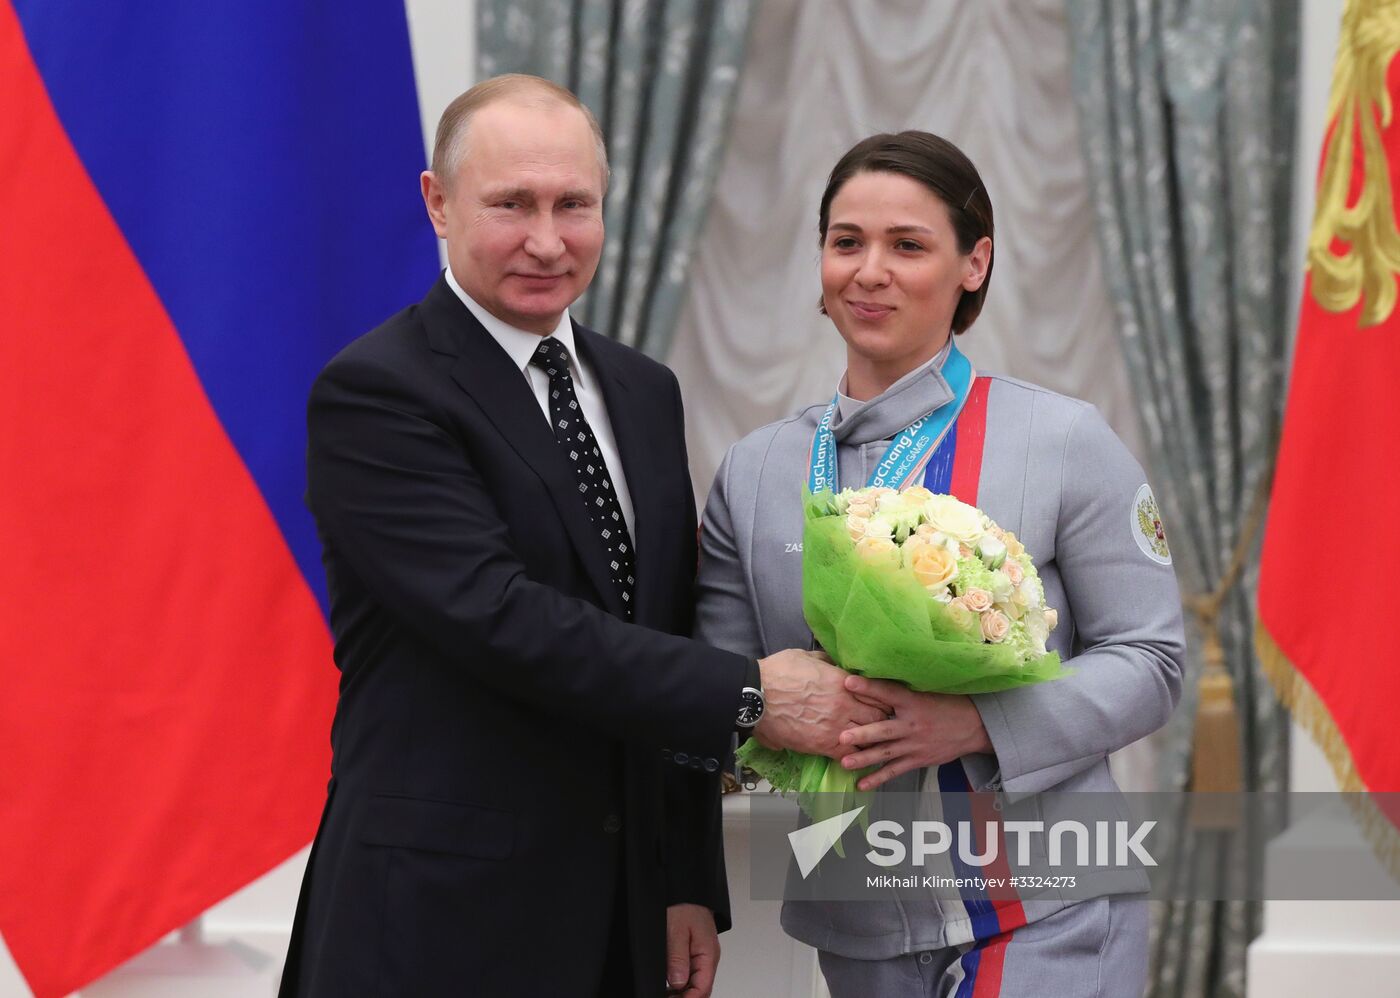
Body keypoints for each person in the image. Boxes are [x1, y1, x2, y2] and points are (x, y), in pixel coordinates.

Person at [278, 74, 885, 998]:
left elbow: (660, 624)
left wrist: (684, 878)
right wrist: (755, 693)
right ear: (437, 203)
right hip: (438, 919)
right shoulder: (378, 391)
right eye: (511, 204)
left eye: (574, 204)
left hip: (622, 918)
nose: (547, 240)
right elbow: (501, 618)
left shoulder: (643, 389)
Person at [695, 131, 1186, 996]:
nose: (869, 271)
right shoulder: (756, 470)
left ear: (974, 263)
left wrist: (979, 723)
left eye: (908, 245)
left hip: (1050, 907)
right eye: (847, 242)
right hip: (858, 918)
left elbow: (1151, 660)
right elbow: (721, 685)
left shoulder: (1063, 440)